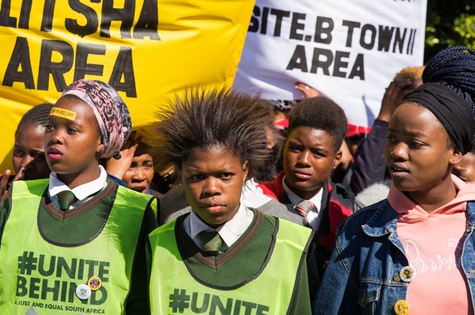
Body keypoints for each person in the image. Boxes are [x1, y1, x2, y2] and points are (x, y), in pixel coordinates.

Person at [0, 79, 158, 314]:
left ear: (101, 142)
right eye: (51, 127)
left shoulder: (136, 212)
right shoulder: (17, 201)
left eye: (71, 130)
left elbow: (142, 304)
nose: (56, 137)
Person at [315, 46, 475, 314]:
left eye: (415, 143)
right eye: (391, 138)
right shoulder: (359, 232)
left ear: (455, 152)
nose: (397, 152)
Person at [148, 88, 312, 314]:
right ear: (180, 175)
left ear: (244, 170)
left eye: (225, 175)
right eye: (197, 177)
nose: (211, 189)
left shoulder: (291, 244)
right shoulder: (155, 245)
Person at [257, 96, 356, 295]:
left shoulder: (349, 216)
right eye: (296, 148)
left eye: (318, 153)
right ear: (284, 145)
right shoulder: (256, 202)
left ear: (336, 159)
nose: (304, 160)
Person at [0, 103, 53, 217]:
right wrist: (2, 211)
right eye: (19, 152)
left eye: (37, 155)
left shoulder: (65, 199)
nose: (25, 163)